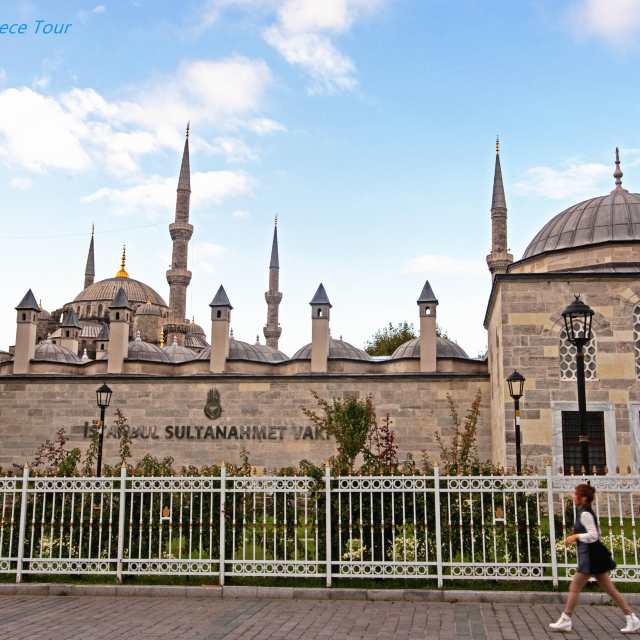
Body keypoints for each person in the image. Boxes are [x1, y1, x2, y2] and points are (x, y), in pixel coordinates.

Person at [550, 483, 640, 634]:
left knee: (575, 587)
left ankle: (566, 619)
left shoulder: (585, 513)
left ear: (583, 498)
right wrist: (577, 531)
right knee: (610, 590)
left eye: (576, 494)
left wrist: (576, 536)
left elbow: (594, 535)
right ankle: (631, 617)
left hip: (591, 558)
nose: (573, 496)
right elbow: (596, 530)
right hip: (592, 557)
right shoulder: (585, 512)